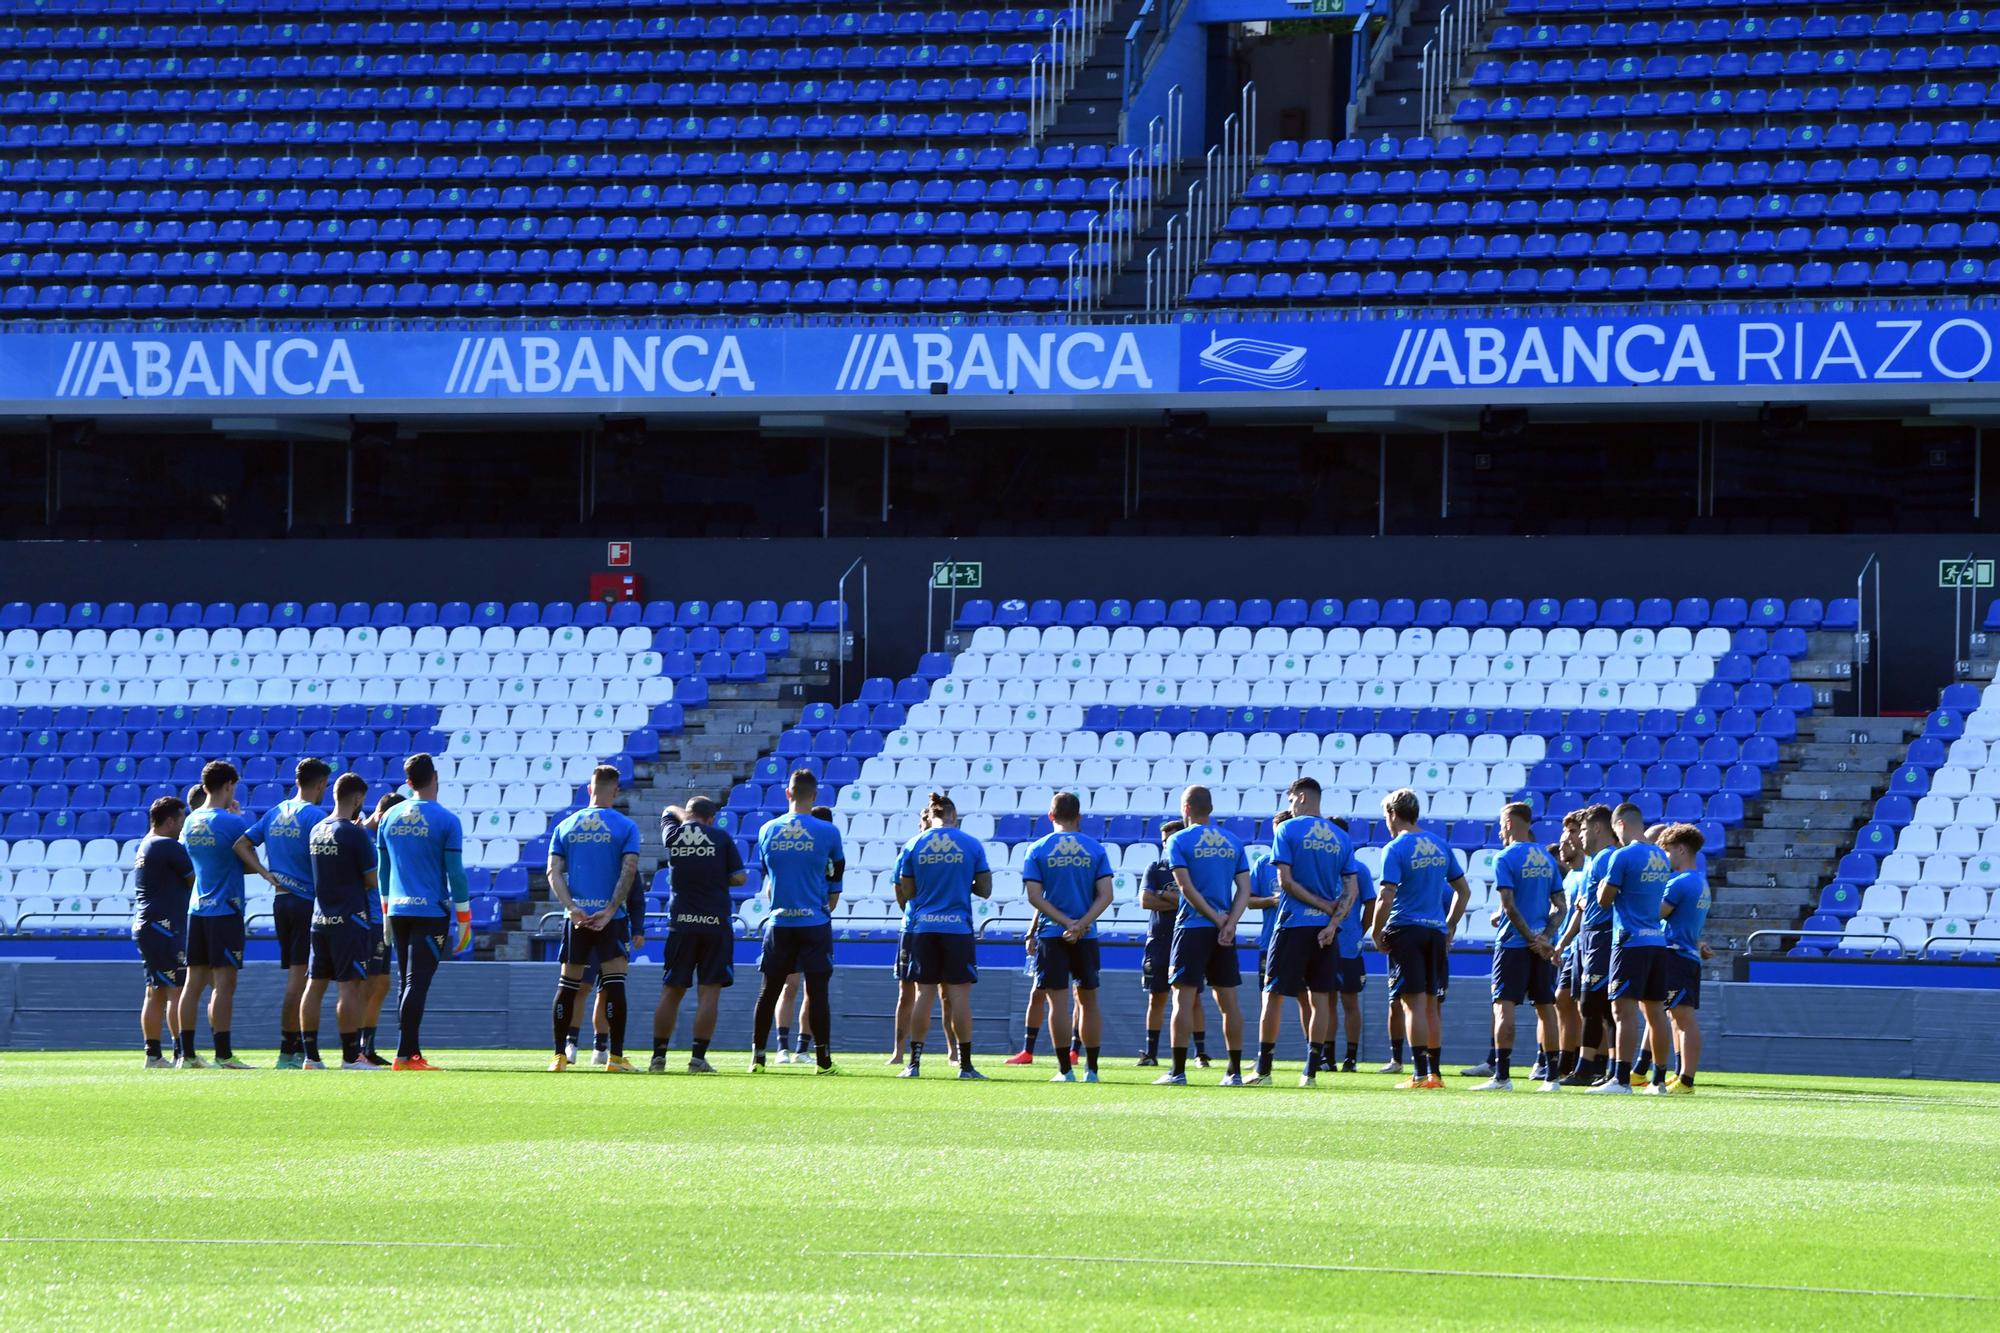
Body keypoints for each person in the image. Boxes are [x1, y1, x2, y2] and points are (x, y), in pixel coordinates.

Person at [1254, 782, 1360, 1087]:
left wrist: (1320, 904)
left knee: (1272, 995)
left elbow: (1284, 882)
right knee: (1320, 998)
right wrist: (1332, 922)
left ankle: (1263, 1070)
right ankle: (1310, 1072)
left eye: (1290, 799)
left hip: (1291, 924)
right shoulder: (1340, 837)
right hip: (1326, 932)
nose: (1290, 804)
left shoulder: (1287, 830)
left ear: (1301, 797)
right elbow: (1351, 890)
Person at [179, 760, 281, 1070]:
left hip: (197, 909)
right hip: (226, 909)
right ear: (228, 786)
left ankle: (186, 1053)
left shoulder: (191, 821)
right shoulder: (233, 823)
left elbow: (190, 859)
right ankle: (223, 1054)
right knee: (224, 984)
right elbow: (248, 861)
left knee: (192, 982)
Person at [377, 752, 472, 1071]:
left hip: (399, 911)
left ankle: (411, 1051)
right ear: (435, 778)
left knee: (406, 983)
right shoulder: (446, 820)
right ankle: (405, 1055)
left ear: (408, 783)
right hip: (430, 911)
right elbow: (455, 873)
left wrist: (386, 912)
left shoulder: (390, 816)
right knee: (417, 983)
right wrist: (464, 917)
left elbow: (382, 870)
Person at [546, 765, 644, 1073]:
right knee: (614, 985)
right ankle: (614, 1057)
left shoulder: (566, 825)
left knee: (568, 984)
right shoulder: (626, 827)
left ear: (589, 789)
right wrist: (611, 909)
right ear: (615, 791)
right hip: (609, 918)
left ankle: (558, 1056)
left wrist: (572, 908)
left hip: (576, 918)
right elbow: (629, 870)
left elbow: (553, 872)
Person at [1372, 787, 1471, 1090]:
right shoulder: (1440, 844)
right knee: (1431, 1006)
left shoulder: (1396, 847)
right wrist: (1450, 925)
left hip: (1407, 930)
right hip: (1435, 931)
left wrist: (1376, 932)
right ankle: (1435, 1074)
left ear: (1393, 814)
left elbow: (1386, 895)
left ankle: (1417, 1074)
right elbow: (1463, 891)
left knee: (1412, 1005)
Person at [750, 769, 844, 1073]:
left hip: (779, 922)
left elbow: (768, 877)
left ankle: (758, 1058)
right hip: (814, 921)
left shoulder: (767, 830)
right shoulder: (828, 832)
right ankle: (823, 1061)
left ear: (787, 793)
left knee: (769, 992)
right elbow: (835, 879)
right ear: (814, 795)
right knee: (817, 992)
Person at [894, 791, 992, 1079]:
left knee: (924, 994)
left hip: (924, 927)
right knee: (959, 997)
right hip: (957, 928)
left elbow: (907, 892)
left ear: (930, 815)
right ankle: (965, 1066)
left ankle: (913, 1064)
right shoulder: (971, 844)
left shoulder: (913, 844)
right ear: (954, 816)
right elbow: (985, 890)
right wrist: (962, 881)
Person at [1158, 785, 1251, 1087]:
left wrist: (1215, 918)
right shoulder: (1233, 841)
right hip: (1224, 931)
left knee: (1183, 1001)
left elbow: (1185, 889)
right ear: (1209, 808)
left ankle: (1177, 1071)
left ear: (1185, 808)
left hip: (1193, 927)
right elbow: (1245, 889)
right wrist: (1230, 923)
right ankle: (1234, 1072)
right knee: (1229, 1002)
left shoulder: (1178, 840)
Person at [1021, 792, 1115, 1083]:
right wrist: (1081, 924)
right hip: (1086, 935)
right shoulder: (1095, 849)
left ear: (1051, 816)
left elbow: (1034, 897)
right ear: (1079, 817)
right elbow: (1106, 895)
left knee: (1057, 1004)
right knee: (1088, 1002)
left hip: (1052, 932)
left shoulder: (1038, 849)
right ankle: (1093, 1070)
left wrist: (1065, 923)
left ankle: (1065, 1070)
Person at [651, 795, 746, 1074]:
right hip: (715, 922)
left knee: (672, 990)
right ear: (711, 817)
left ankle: (658, 1058)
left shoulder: (674, 833)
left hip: (681, 921)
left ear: (689, 814)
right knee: (709, 992)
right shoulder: (721, 837)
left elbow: (668, 808)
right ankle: (697, 1058)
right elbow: (740, 877)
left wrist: (686, 819)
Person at [247, 757, 331, 1070]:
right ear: (321, 784)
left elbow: (243, 844)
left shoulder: (274, 812)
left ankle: (289, 1048)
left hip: (281, 900)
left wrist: (264, 873)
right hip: (306, 901)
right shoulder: (315, 816)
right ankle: (290, 1050)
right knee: (301, 980)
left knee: (295, 978)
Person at [1472, 803, 1562, 1092]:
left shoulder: (1505, 857)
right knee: (1546, 1009)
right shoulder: (1548, 859)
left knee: (1504, 1008)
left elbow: (1508, 906)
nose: (1500, 829)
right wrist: (1544, 937)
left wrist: (1529, 938)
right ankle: (1552, 1078)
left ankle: (1502, 1076)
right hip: (1541, 947)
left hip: (1513, 944)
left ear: (1509, 823)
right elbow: (1560, 907)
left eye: (1501, 823)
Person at [1589, 803, 1675, 1094]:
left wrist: (1602, 883)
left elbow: (1603, 899)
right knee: (1656, 1013)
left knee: (1622, 1011)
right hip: (1656, 941)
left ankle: (1621, 1080)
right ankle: (1659, 1080)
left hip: (1630, 941)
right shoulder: (1661, 856)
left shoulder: (1622, 856)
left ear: (1621, 825)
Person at [301, 772, 381, 1071]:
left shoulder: (317, 829)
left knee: (315, 985)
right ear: (358, 798)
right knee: (348, 988)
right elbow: (371, 880)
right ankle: (350, 1057)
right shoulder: (354, 833)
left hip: (320, 917)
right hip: (350, 919)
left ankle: (311, 1056)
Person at [1557, 803, 1619, 1086]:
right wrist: (1563, 944)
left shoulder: (1608, 858)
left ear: (1596, 828)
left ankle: (1589, 1068)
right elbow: (1582, 910)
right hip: (1587, 938)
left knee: (1596, 1005)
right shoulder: (1593, 862)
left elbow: (1610, 900)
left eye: (1582, 830)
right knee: (1595, 1006)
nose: (1579, 837)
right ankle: (1606, 1069)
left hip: (1602, 936)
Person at [1136, 819, 1208, 1067]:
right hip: (1159, 940)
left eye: (1171, 839)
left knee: (1193, 996)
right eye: (1164, 840)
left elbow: (1194, 900)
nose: (1167, 844)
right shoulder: (1155, 867)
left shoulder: (1193, 868)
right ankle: (1151, 1052)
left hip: (1187, 937)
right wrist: (1173, 898)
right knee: (1156, 997)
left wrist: (1162, 895)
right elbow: (1145, 900)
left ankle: (1200, 1053)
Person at [131, 795, 194, 1069]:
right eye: (181, 819)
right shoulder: (169, 847)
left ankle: (153, 1055)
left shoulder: (145, 844)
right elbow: (195, 880)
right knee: (176, 990)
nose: (183, 824)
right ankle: (182, 1052)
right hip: (164, 926)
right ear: (170, 821)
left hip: (146, 925)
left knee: (154, 991)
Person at [1659, 823, 1711, 1094]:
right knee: (1676, 1016)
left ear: (1680, 850)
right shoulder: (1701, 882)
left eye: (1666, 851)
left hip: (1677, 954)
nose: (1665, 858)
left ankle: (1687, 1079)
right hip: (1688, 953)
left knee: (1683, 1017)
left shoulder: (1679, 883)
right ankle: (1680, 1074)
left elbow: (1657, 913)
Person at [355, 791, 403, 1066]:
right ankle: (358, 1047)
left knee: (381, 983)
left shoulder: (379, 837)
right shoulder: (363, 838)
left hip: (382, 917)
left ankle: (367, 1047)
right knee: (368, 983)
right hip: (368, 918)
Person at [1327, 817, 1376, 1073]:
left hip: (1348, 945)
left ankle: (1351, 1057)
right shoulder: (1322, 866)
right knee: (1326, 1000)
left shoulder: (1359, 869)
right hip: (1324, 942)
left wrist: (1361, 931)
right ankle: (1326, 1056)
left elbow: (1371, 903)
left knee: (1349, 1001)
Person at [1546, 814, 1588, 1086]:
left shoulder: (1589, 870)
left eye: (1573, 831)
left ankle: (1592, 1063)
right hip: (1569, 946)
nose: (1565, 839)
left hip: (1584, 945)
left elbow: (1581, 912)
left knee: (1589, 1007)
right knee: (1563, 1001)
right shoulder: (1571, 874)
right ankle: (1567, 1061)